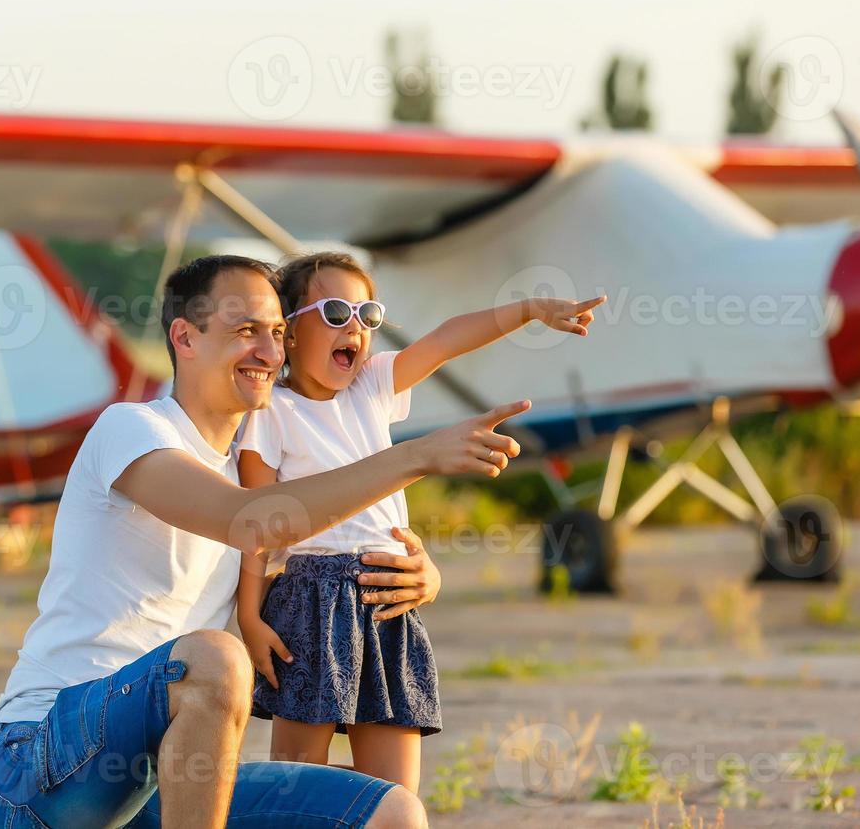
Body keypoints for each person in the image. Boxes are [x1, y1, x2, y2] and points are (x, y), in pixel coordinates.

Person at [0, 254, 531, 829]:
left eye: (277, 333)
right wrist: (416, 455)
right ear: (185, 338)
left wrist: (417, 571)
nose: (269, 352)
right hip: (46, 767)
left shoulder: (262, 470)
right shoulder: (133, 429)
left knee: (394, 813)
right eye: (246, 332)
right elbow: (251, 521)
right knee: (213, 658)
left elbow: (307, 550)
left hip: (171, 785)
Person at [236, 252, 604, 792]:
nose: (355, 328)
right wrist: (250, 616)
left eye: (368, 315)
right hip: (309, 600)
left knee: (395, 797)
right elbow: (254, 526)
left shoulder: (372, 387)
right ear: (288, 332)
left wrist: (526, 310)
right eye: (336, 312)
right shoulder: (270, 412)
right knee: (298, 787)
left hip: (390, 593)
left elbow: (444, 340)